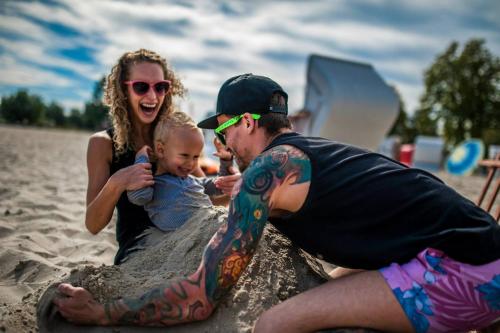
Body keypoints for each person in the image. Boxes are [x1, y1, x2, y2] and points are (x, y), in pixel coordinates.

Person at [54, 74, 500, 332]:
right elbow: (216, 189)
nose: (220, 141)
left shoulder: (267, 173)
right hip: (469, 250)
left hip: (466, 270)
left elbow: (200, 298)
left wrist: (104, 311)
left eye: (223, 130)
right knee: (328, 296)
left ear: (246, 122)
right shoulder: (308, 153)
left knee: (274, 324)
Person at [84, 49, 237, 265]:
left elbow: (202, 193)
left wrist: (231, 183)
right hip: (140, 252)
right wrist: (118, 181)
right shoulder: (103, 143)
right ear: (123, 90)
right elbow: (93, 225)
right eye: (141, 87)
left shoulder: (177, 137)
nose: (152, 96)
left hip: (189, 240)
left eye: (160, 87)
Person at [127, 111, 234, 231]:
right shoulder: (155, 184)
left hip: (209, 223)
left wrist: (226, 160)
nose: (191, 163)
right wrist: (142, 158)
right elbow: (139, 197)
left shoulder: (193, 181)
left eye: (196, 157)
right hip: (189, 235)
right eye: (184, 155)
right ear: (160, 150)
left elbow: (221, 186)